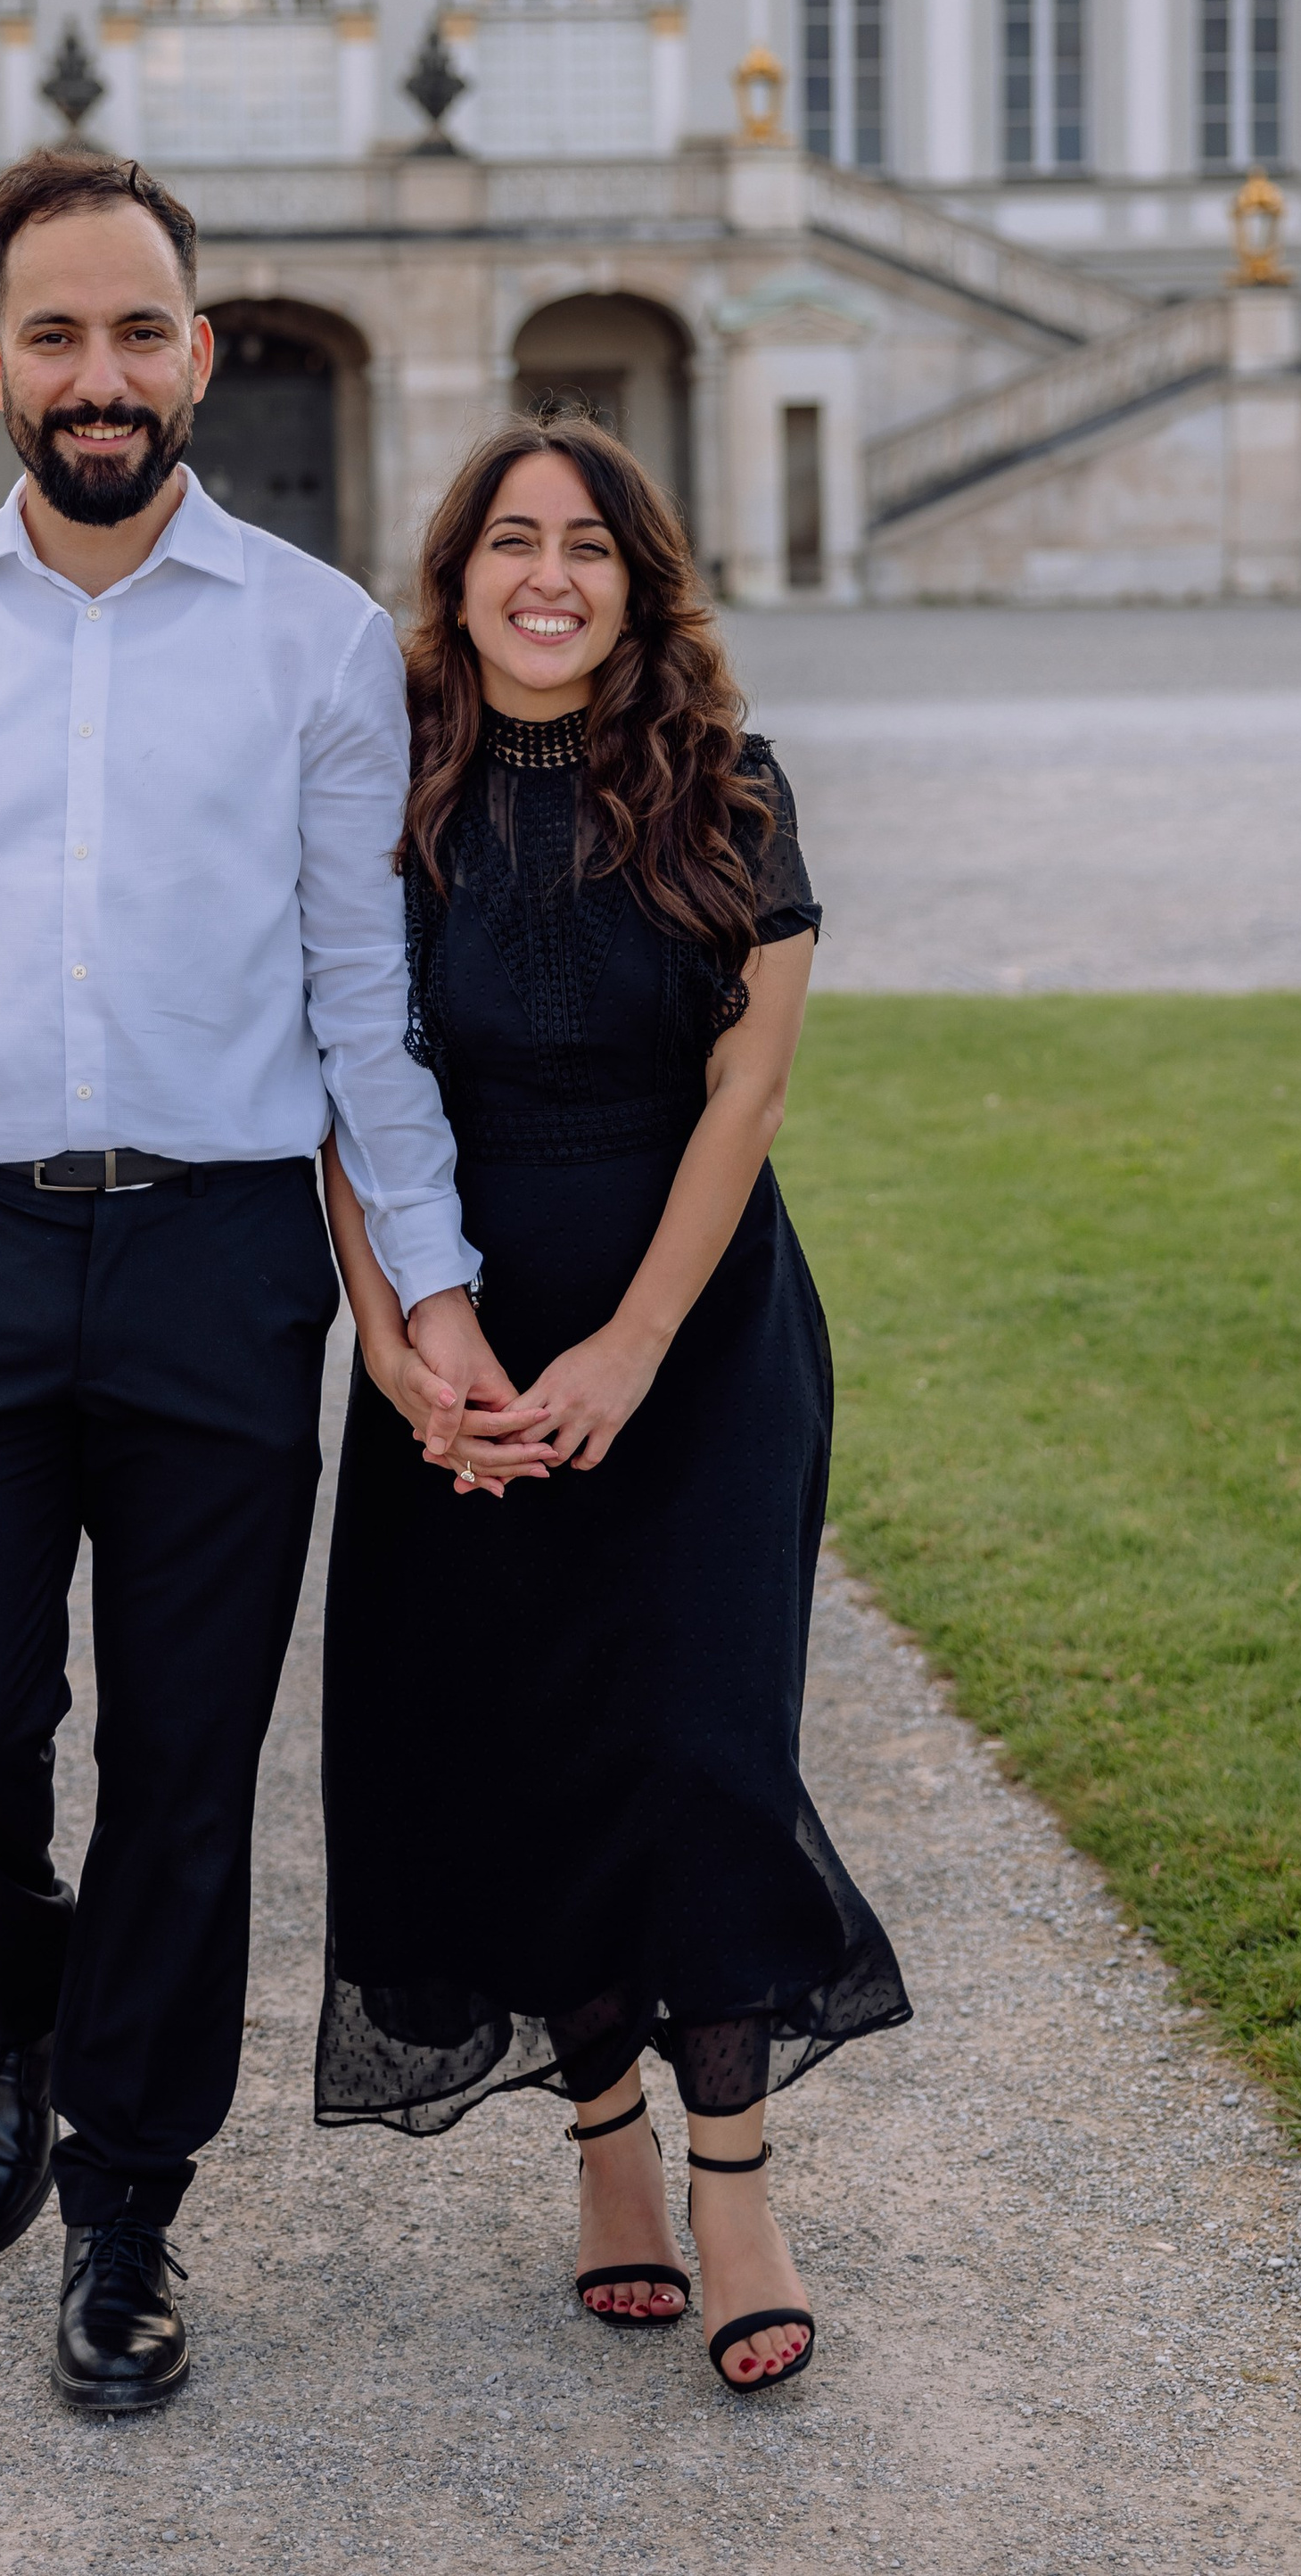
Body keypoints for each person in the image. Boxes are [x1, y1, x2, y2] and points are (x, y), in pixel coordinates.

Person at [0, 149, 528, 2415]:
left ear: (203, 350)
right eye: (56, 333)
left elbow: (362, 997)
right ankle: (22, 1998)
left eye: (141, 329)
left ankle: (125, 2210)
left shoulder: (306, 640)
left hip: (214, 1259)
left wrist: (438, 1285)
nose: (102, 373)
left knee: (190, 1759)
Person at [314, 418, 912, 2394]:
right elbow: (339, 1070)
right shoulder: (380, 787)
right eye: (509, 540)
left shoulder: (726, 785)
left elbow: (744, 1093)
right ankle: (602, 2156)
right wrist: (402, 1338)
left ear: (638, 579)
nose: (545, 575)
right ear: (455, 570)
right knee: (527, 1740)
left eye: (587, 544)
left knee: (694, 1740)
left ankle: (732, 2172)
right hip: (465, 1327)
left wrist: (638, 1344)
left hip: (699, 1331)